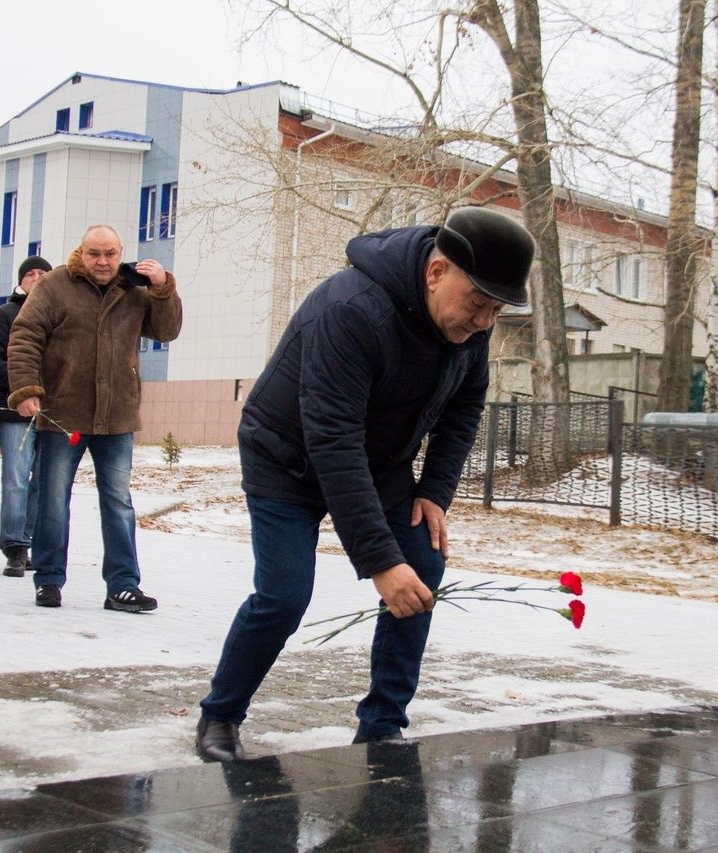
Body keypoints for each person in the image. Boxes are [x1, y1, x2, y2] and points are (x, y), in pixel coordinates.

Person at [195, 206, 535, 761]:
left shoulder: (468, 329)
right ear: (436, 272)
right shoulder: (350, 309)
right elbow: (332, 438)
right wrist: (379, 562)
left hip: (378, 461)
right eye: (477, 304)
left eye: (495, 311)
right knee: (284, 595)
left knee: (422, 568)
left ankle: (382, 726)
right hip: (287, 459)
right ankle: (221, 714)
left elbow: (465, 408)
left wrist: (433, 492)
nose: (482, 322)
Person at [7, 225, 182, 610]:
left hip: (117, 415)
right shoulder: (54, 285)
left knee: (118, 501)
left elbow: (167, 331)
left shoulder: (135, 287)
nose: (102, 262)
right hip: (62, 414)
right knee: (53, 500)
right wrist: (26, 389)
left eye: (110, 254)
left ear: (121, 253)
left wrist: (163, 287)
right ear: (81, 252)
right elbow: (25, 336)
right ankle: (49, 579)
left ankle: (123, 584)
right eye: (94, 254)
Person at [0, 255, 52, 577]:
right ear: (20, 281)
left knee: (44, 483)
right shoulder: (4, 315)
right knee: (17, 481)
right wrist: (23, 384)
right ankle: (14, 546)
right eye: (30, 273)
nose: (36, 277)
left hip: (55, 413)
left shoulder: (60, 315)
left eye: (42, 273)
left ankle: (32, 541)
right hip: (14, 411)